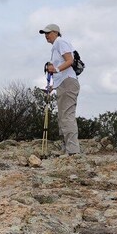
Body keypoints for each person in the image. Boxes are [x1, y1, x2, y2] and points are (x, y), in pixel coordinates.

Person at [39, 23, 81, 156]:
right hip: (64, 83)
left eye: (48, 33)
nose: (46, 36)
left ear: (56, 33)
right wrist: (52, 87)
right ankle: (67, 148)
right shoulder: (56, 46)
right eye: (45, 34)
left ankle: (73, 151)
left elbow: (70, 60)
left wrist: (55, 69)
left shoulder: (60, 42)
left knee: (67, 115)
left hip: (68, 83)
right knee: (63, 116)